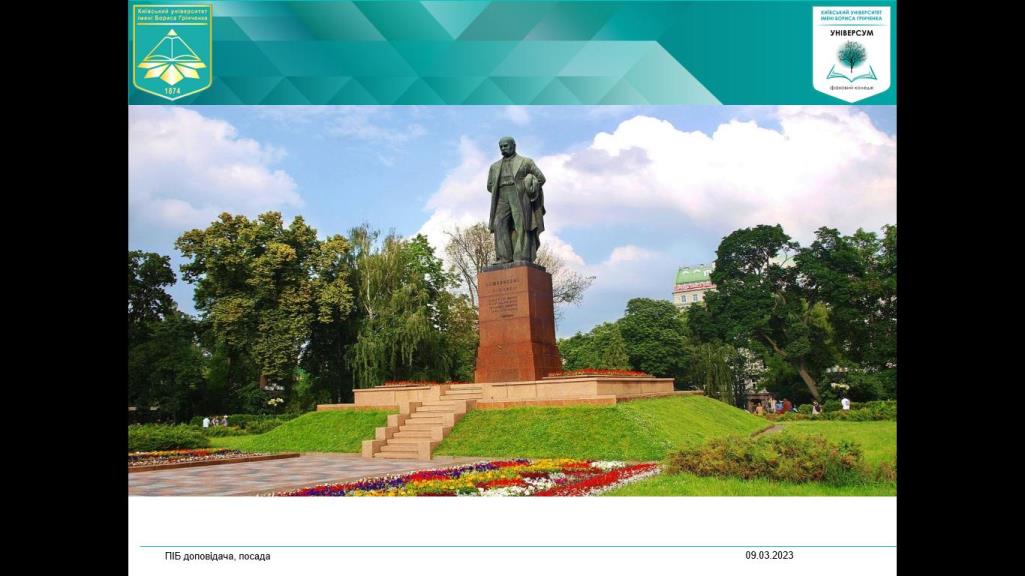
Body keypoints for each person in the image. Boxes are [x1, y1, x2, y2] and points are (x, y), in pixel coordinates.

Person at [487, 137, 547, 264]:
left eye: (506, 145)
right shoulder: (494, 167)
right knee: (498, 223)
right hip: (502, 196)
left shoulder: (526, 162)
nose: (503, 148)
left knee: (521, 224)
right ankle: (504, 257)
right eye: (501, 146)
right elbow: (489, 185)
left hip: (519, 195)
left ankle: (521, 256)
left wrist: (529, 183)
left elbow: (541, 178)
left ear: (514, 145)